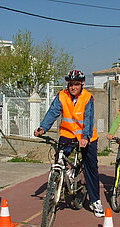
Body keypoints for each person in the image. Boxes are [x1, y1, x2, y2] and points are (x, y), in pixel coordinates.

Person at [34, 70, 105, 217]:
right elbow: (53, 112)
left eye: (76, 84)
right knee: (59, 159)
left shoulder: (87, 98)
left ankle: (95, 201)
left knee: (90, 168)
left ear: (82, 84)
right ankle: (59, 181)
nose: (73, 87)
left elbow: (88, 118)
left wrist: (85, 137)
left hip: (87, 136)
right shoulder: (62, 95)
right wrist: (43, 128)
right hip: (67, 134)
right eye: (71, 84)